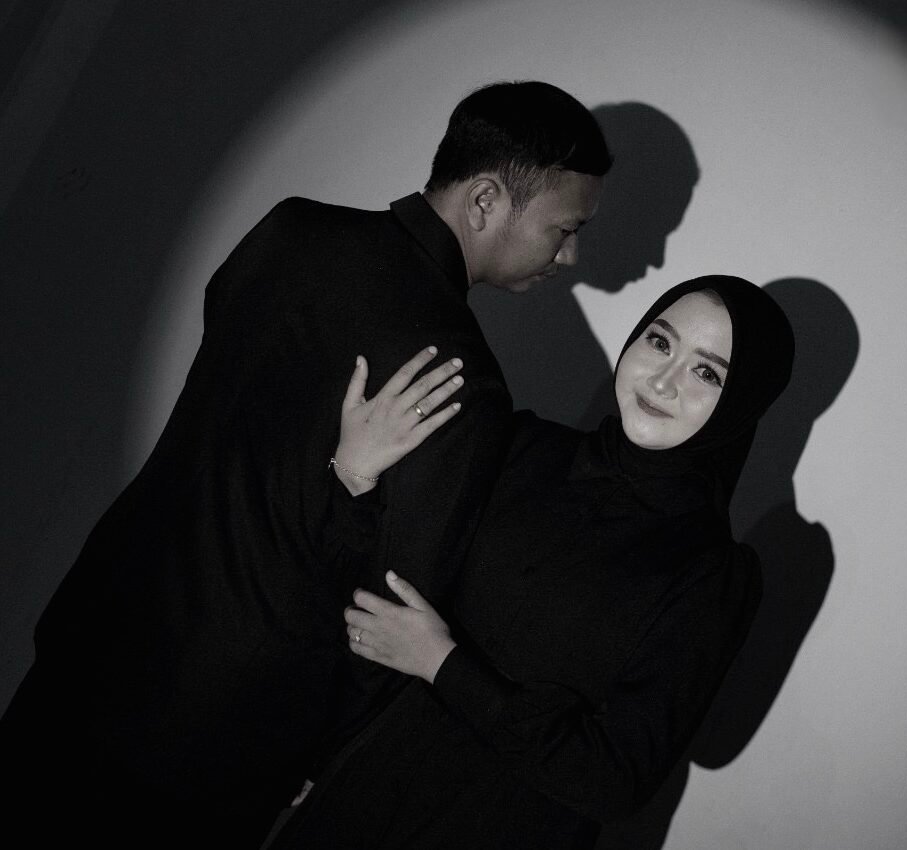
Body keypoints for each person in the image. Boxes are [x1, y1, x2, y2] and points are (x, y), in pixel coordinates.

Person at [0, 81, 609, 847]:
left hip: (98, 633)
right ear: (486, 200)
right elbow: (388, 610)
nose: (570, 255)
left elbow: (222, 396)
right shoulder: (457, 378)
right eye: (565, 228)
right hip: (220, 730)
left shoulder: (289, 231)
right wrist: (321, 752)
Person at [270, 275, 795, 849]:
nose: (664, 380)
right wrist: (356, 477)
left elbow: (615, 781)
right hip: (358, 798)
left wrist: (443, 663)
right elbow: (381, 593)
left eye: (707, 373)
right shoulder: (523, 446)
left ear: (742, 403)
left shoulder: (713, 573)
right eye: (660, 342)